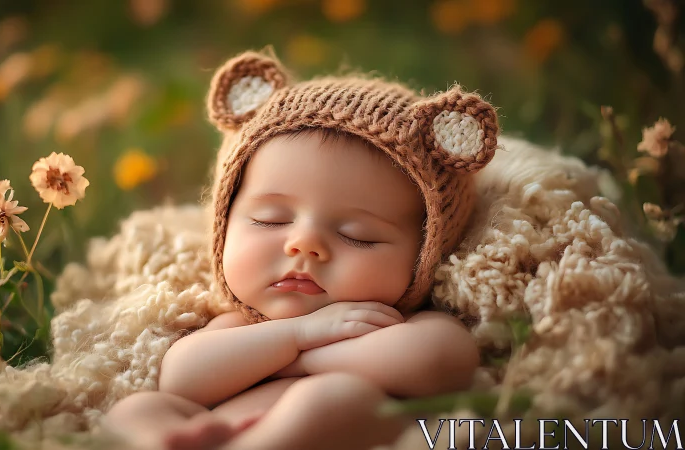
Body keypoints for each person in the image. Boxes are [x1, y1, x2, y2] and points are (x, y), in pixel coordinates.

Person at [104, 49, 500, 450]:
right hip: (210, 434)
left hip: (328, 426)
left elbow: (437, 363)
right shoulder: (244, 324)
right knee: (136, 410)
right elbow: (181, 379)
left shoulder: (403, 324)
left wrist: (300, 357)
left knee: (335, 399)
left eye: (357, 234)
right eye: (271, 219)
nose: (304, 244)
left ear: (424, 256)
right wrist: (298, 334)